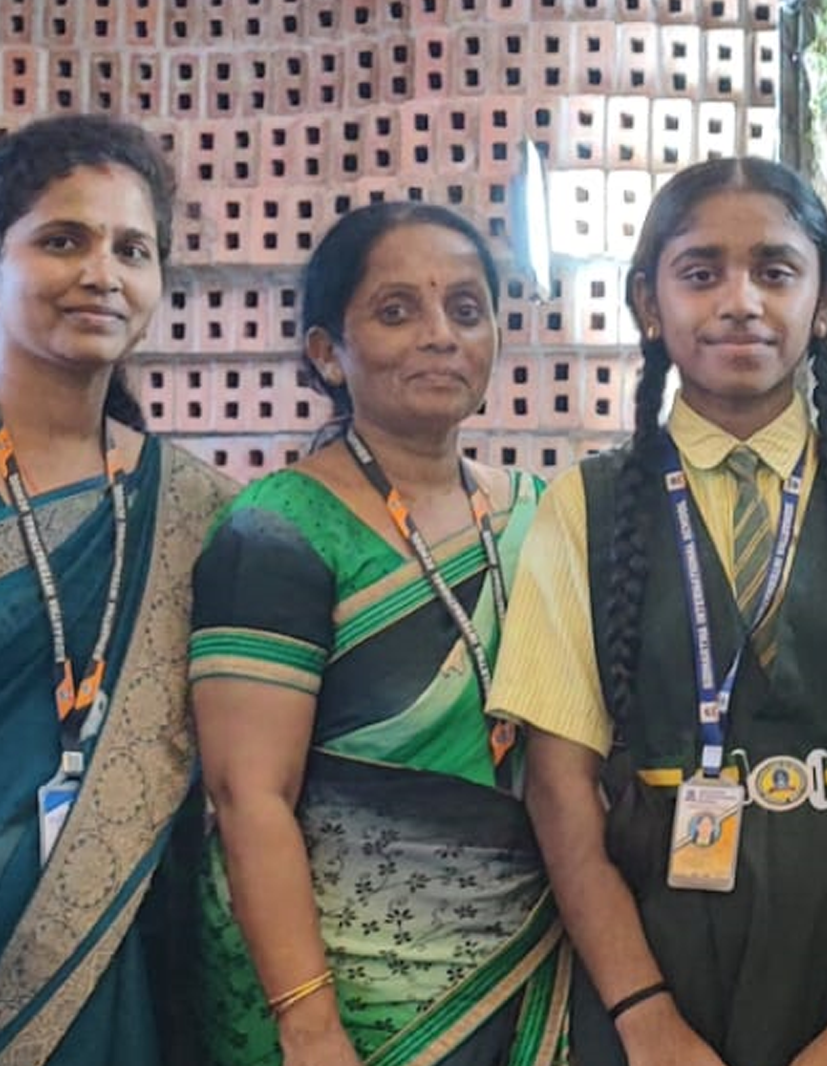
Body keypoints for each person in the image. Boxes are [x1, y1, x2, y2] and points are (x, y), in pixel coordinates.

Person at [488, 156, 827, 1066]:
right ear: (648, 304)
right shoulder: (585, 511)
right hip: (649, 951)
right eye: (700, 273)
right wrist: (643, 1015)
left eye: (775, 270)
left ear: (824, 301)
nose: (740, 301)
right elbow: (559, 784)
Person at [189, 201, 566, 1066]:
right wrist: (309, 1025)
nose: (440, 335)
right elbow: (249, 796)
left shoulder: (541, 515)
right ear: (329, 352)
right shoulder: (278, 531)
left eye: (466, 310)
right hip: (339, 1000)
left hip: (530, 969)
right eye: (397, 311)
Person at [0, 114, 234, 1065]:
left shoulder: (196, 508)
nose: (102, 272)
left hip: (127, 974)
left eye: (132, 250)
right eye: (63, 240)